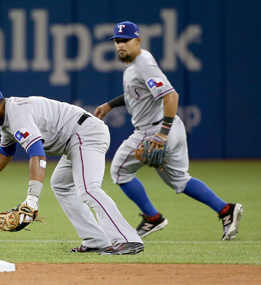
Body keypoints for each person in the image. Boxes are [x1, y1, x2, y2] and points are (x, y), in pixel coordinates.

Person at [94, 21, 243, 240]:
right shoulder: (135, 63)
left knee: (119, 171)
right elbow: (136, 94)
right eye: (117, 41)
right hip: (170, 127)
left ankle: (152, 218)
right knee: (180, 180)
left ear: (137, 40)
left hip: (154, 131)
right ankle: (225, 210)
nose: (120, 45)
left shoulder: (143, 63)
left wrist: (162, 133)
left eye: (125, 40)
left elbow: (171, 95)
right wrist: (110, 105)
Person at [0, 85, 144, 255]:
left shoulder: (17, 114)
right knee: (61, 184)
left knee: (89, 188)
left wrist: (32, 200)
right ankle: (95, 240)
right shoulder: (7, 119)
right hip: (76, 138)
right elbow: (5, 151)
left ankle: (127, 240)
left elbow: (38, 155)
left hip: (86, 133)